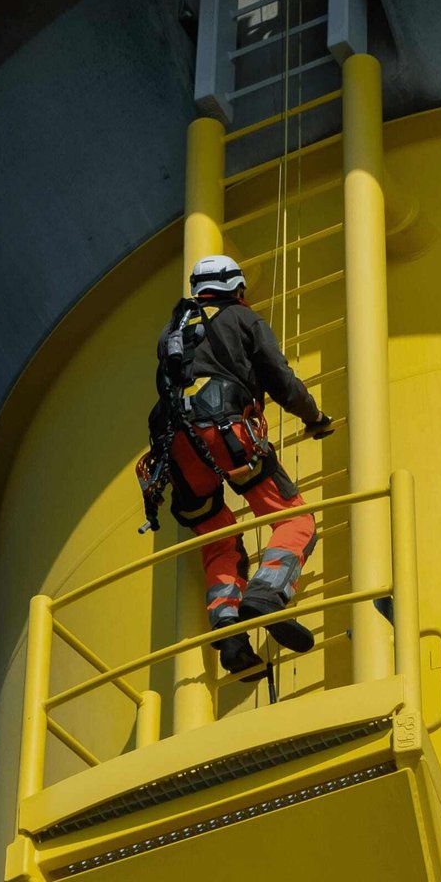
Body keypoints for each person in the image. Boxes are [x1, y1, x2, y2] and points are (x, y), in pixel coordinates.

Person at [136, 255, 338, 680]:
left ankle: (229, 634)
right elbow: (280, 379)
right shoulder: (243, 321)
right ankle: (267, 595)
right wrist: (314, 418)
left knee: (218, 540)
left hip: (176, 450)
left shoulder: (171, 331)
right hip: (228, 436)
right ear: (238, 290)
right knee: (295, 519)